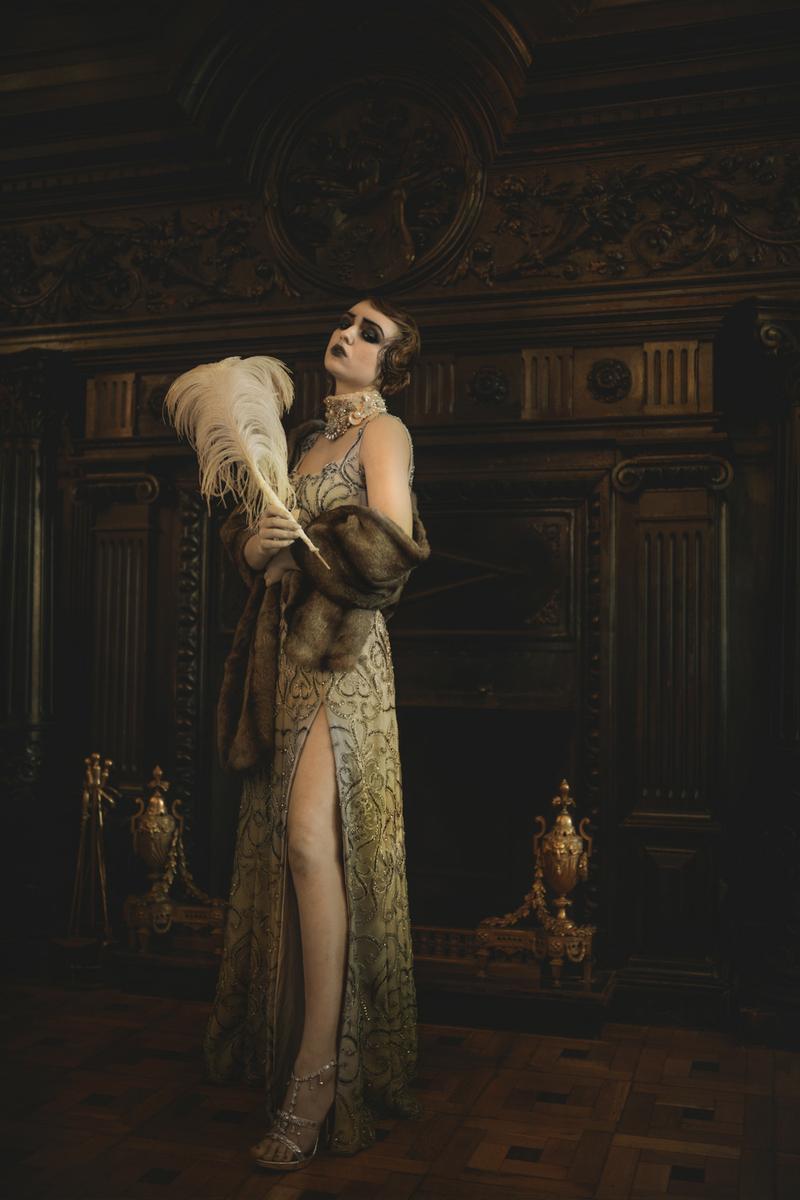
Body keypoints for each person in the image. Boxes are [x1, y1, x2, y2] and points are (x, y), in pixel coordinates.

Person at [203, 297, 429, 1171]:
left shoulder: (385, 434)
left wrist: (302, 544)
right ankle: (294, 1052)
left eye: (371, 332)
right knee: (289, 851)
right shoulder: (303, 445)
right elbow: (260, 558)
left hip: (344, 663)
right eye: (347, 321)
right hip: (284, 665)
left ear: (391, 363)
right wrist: (257, 548)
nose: (349, 333)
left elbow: (390, 553)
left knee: (309, 845)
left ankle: (319, 1077)